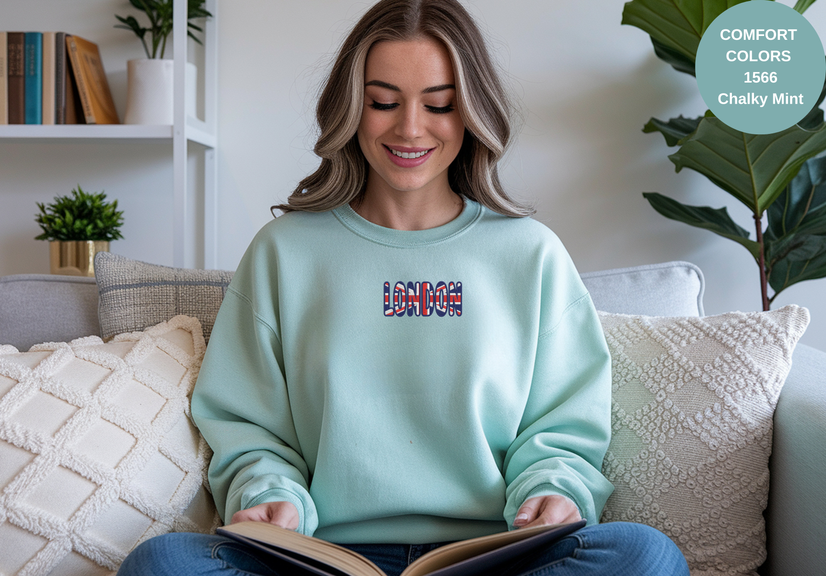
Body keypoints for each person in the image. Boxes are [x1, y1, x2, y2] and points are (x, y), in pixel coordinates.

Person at [118, 0, 689, 574]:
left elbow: (563, 424)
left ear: (470, 112)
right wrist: (269, 494)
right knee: (162, 562)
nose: (410, 128)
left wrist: (554, 490)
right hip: (324, 559)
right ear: (350, 108)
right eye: (383, 102)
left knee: (645, 555)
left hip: (495, 556)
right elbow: (247, 425)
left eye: (438, 104)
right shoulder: (284, 252)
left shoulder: (531, 253)